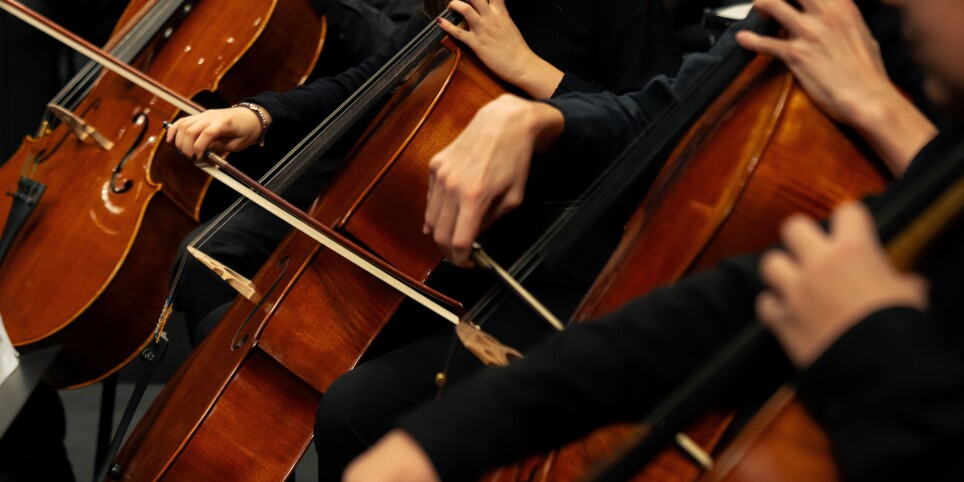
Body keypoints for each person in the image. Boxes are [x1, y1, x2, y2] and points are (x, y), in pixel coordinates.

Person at [344, 0, 963, 479]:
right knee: (367, 404)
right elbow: (667, 114)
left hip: (800, 385)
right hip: (690, 295)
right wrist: (540, 117)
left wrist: (886, 117)